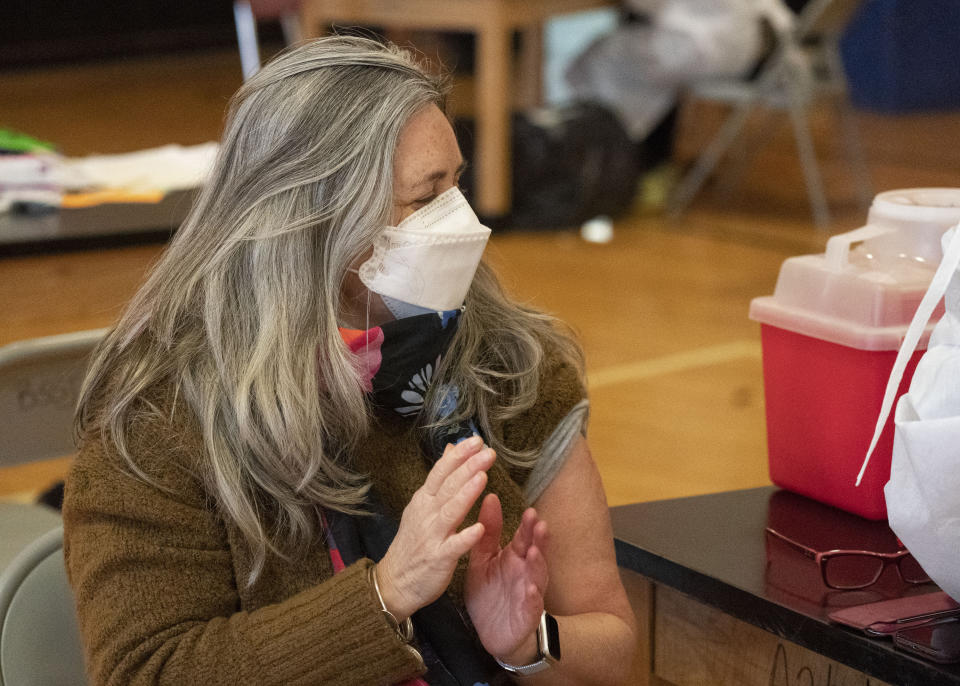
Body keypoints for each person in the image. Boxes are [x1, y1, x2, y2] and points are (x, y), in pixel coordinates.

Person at [64, 36, 636, 685]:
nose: (463, 221)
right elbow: (148, 672)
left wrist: (529, 642)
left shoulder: (505, 366)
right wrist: (386, 595)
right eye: (426, 198)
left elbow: (613, 650)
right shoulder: (162, 416)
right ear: (315, 218)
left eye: (457, 186)